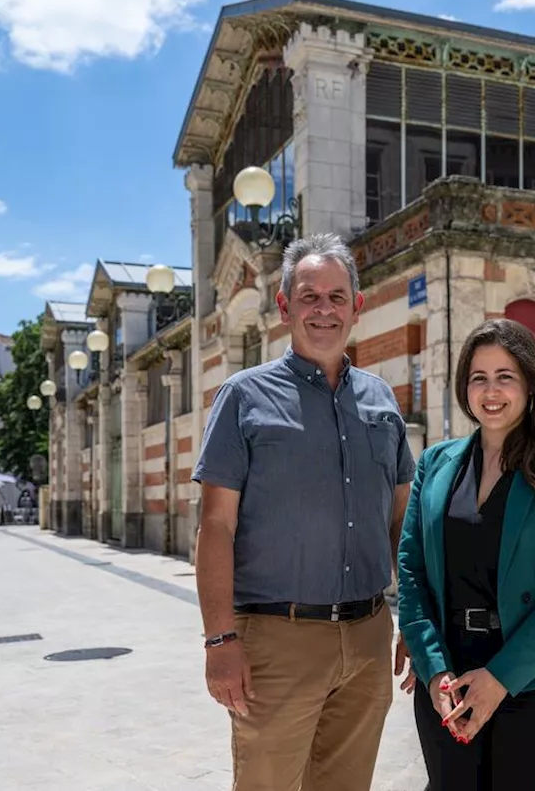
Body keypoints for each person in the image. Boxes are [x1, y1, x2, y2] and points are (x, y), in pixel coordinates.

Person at [190, 232, 417, 791]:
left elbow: (401, 523)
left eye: (337, 297)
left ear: (357, 307)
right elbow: (215, 526)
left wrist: (412, 616)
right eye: (309, 296)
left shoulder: (381, 400)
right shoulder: (243, 397)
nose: (324, 309)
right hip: (276, 642)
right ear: (285, 306)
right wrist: (220, 640)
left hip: (367, 639)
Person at [396, 318, 535, 790]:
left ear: (530, 385)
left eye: (505, 376)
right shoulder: (435, 463)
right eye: (479, 378)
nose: (491, 391)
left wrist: (499, 679)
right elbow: (410, 574)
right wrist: (433, 671)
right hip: (449, 681)